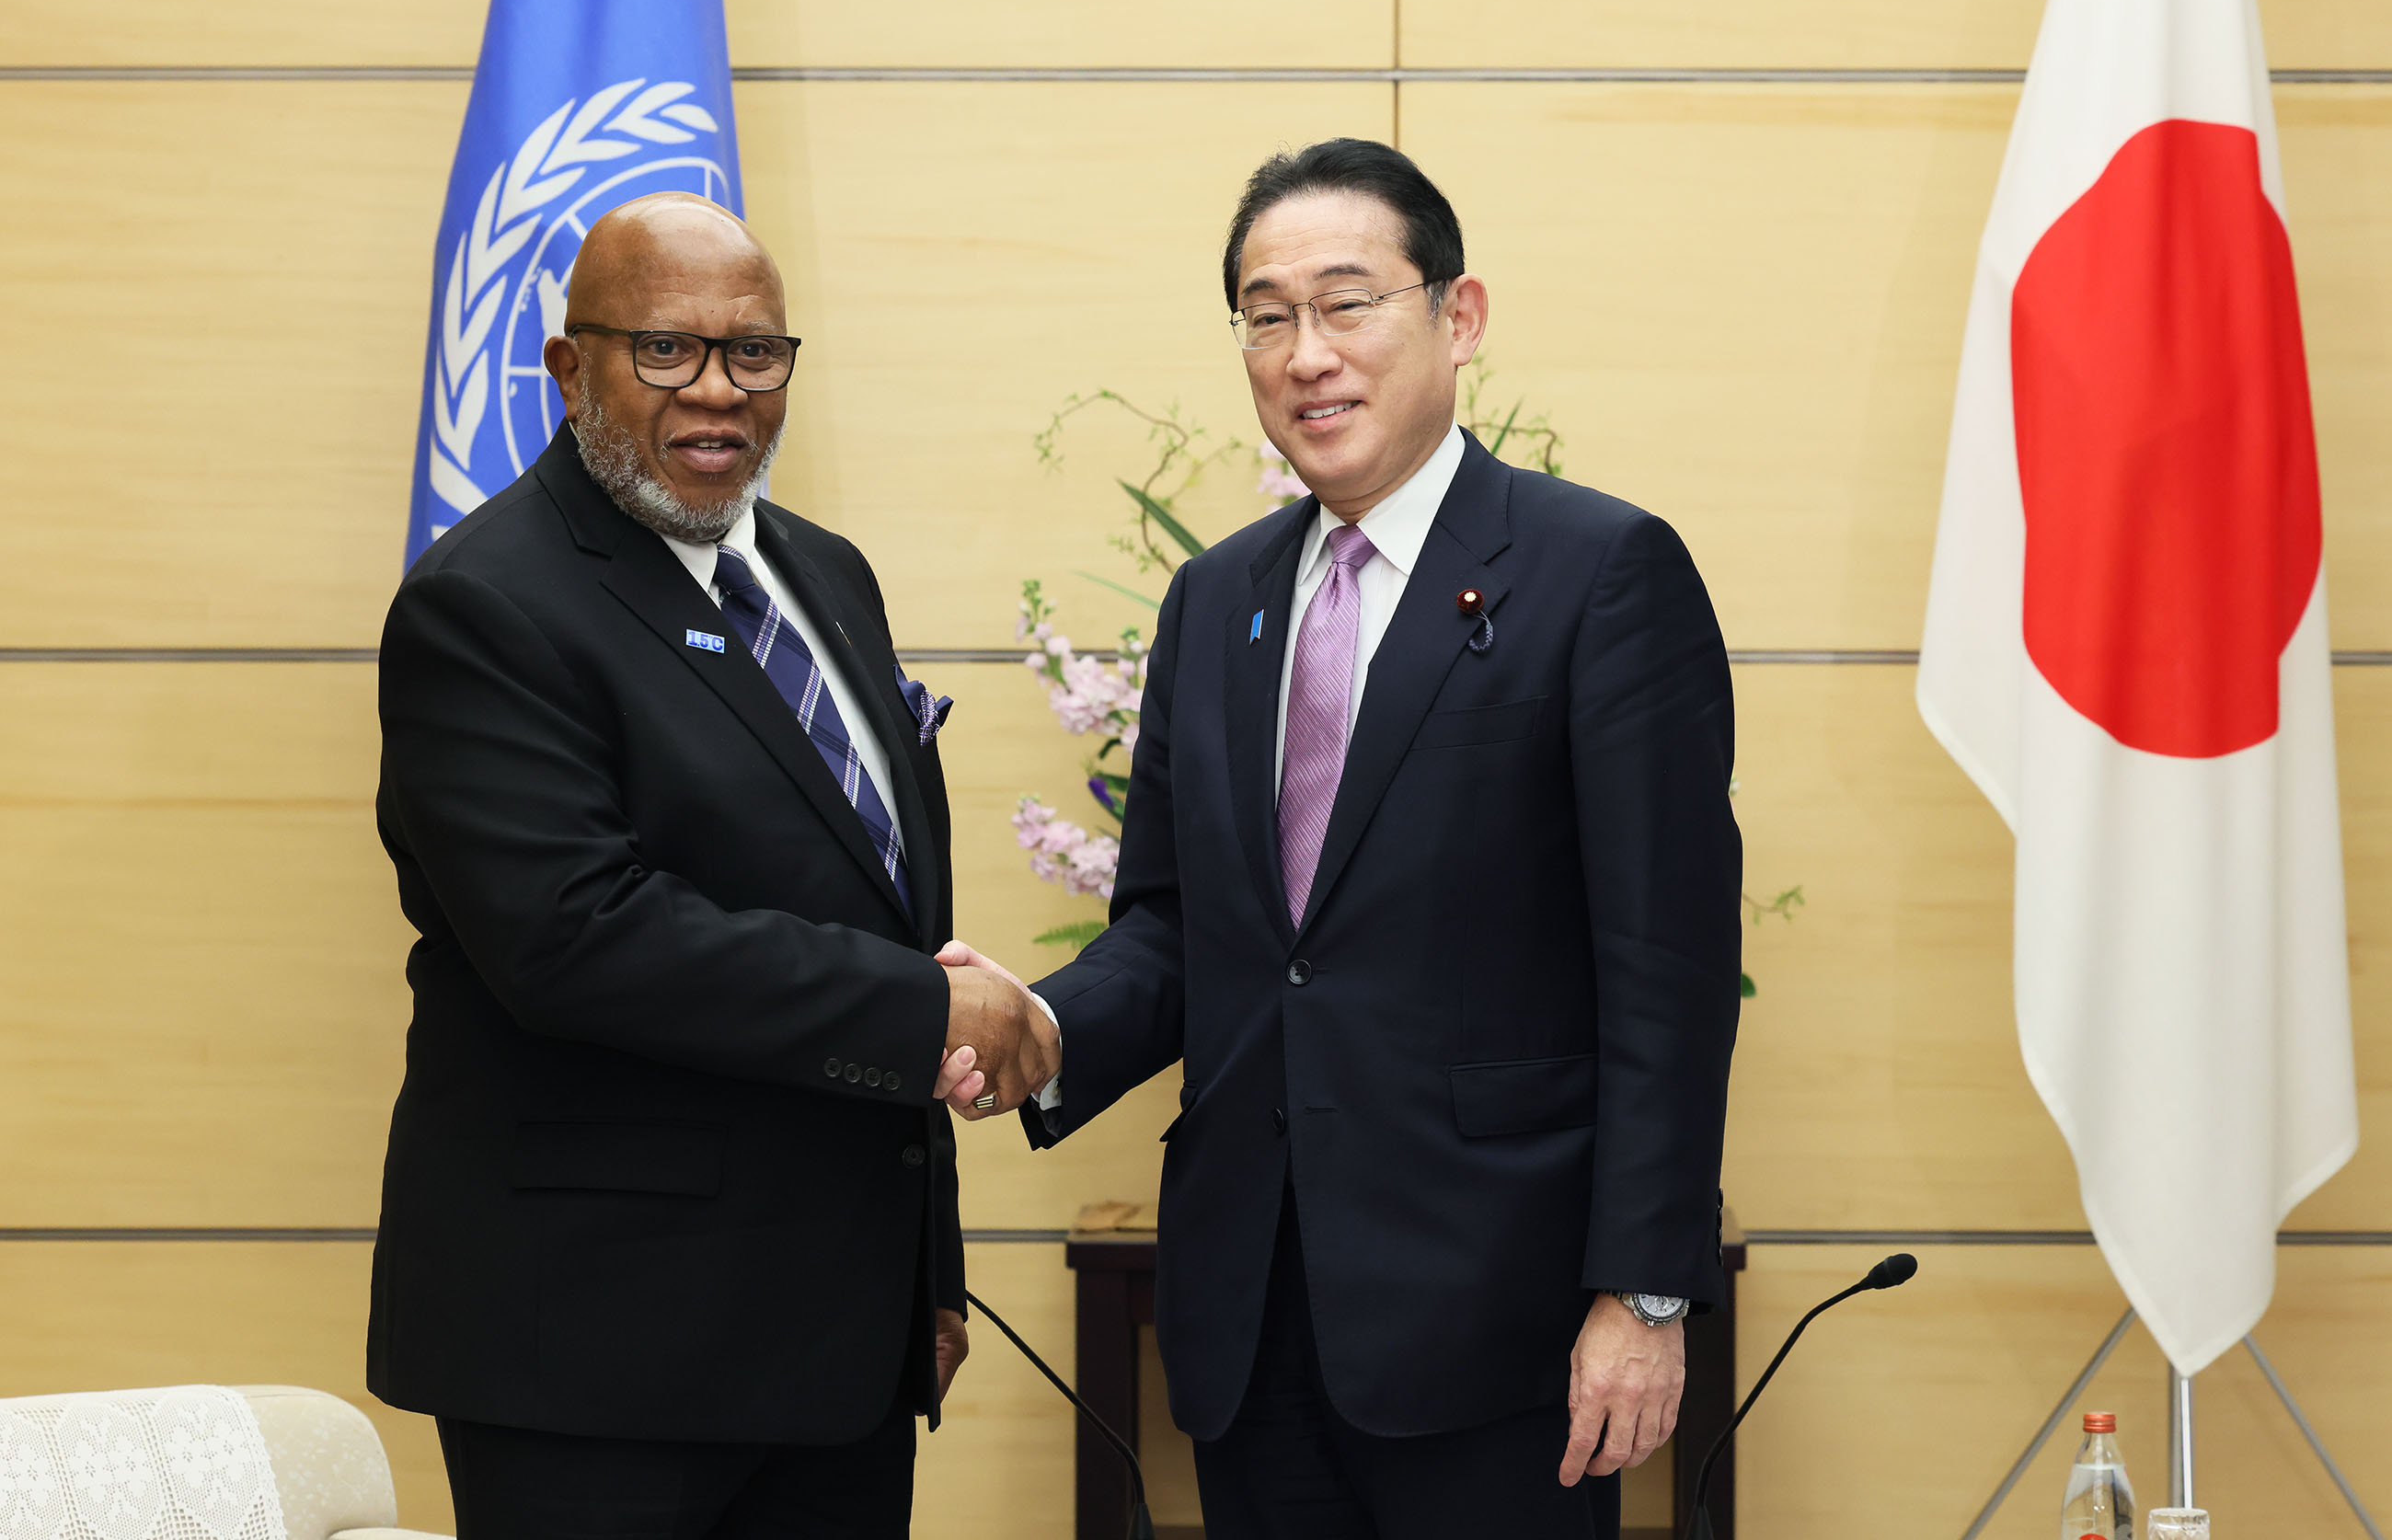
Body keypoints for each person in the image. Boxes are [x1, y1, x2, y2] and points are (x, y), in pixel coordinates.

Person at [940, 140, 1742, 1539]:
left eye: (1347, 302)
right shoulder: (1217, 601)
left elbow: (1665, 963)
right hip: (1252, 1316)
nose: (1306, 354)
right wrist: (1045, 1029)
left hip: (1505, 1324)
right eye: (1267, 317)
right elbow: (1180, 926)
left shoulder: (1600, 572)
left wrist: (1647, 1292)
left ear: (1458, 316)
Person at [368, 192, 1055, 1539]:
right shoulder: (485, 602)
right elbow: (575, 937)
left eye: (753, 353)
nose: (718, 391)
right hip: (599, 1358)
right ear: (570, 369)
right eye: (665, 349)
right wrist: (926, 1011)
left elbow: (885, 908)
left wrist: (926, 1269)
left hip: (838, 1350)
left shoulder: (827, 577)